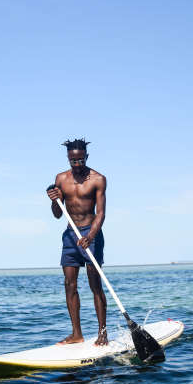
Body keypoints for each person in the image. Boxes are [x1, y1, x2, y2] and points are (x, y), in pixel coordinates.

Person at [47, 138, 108, 346]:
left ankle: (102, 333)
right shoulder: (61, 179)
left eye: (80, 160)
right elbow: (57, 214)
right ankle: (76, 334)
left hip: (91, 235)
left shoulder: (98, 179)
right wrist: (54, 200)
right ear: (68, 159)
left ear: (86, 157)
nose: (77, 164)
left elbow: (100, 214)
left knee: (95, 285)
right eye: (73, 161)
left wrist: (90, 236)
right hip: (70, 236)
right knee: (69, 285)